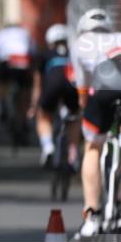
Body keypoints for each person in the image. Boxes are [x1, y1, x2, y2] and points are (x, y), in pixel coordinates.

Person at [70, 8, 121, 238]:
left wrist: (83, 107)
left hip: (103, 94)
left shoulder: (80, 44)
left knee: (92, 147)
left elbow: (82, 85)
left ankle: (92, 217)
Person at [30, 24, 80, 168]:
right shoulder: (73, 54)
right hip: (71, 86)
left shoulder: (45, 55)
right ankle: (73, 154)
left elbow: (37, 86)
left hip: (52, 86)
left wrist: (34, 106)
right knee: (74, 117)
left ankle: (48, 146)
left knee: (44, 115)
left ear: (49, 41)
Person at [0, 22, 36, 134]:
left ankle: (3, 104)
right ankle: (24, 118)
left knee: (1, 83)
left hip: (6, 61)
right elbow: (33, 52)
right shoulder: (25, 33)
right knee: (25, 90)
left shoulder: (0, 34)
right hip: (23, 61)